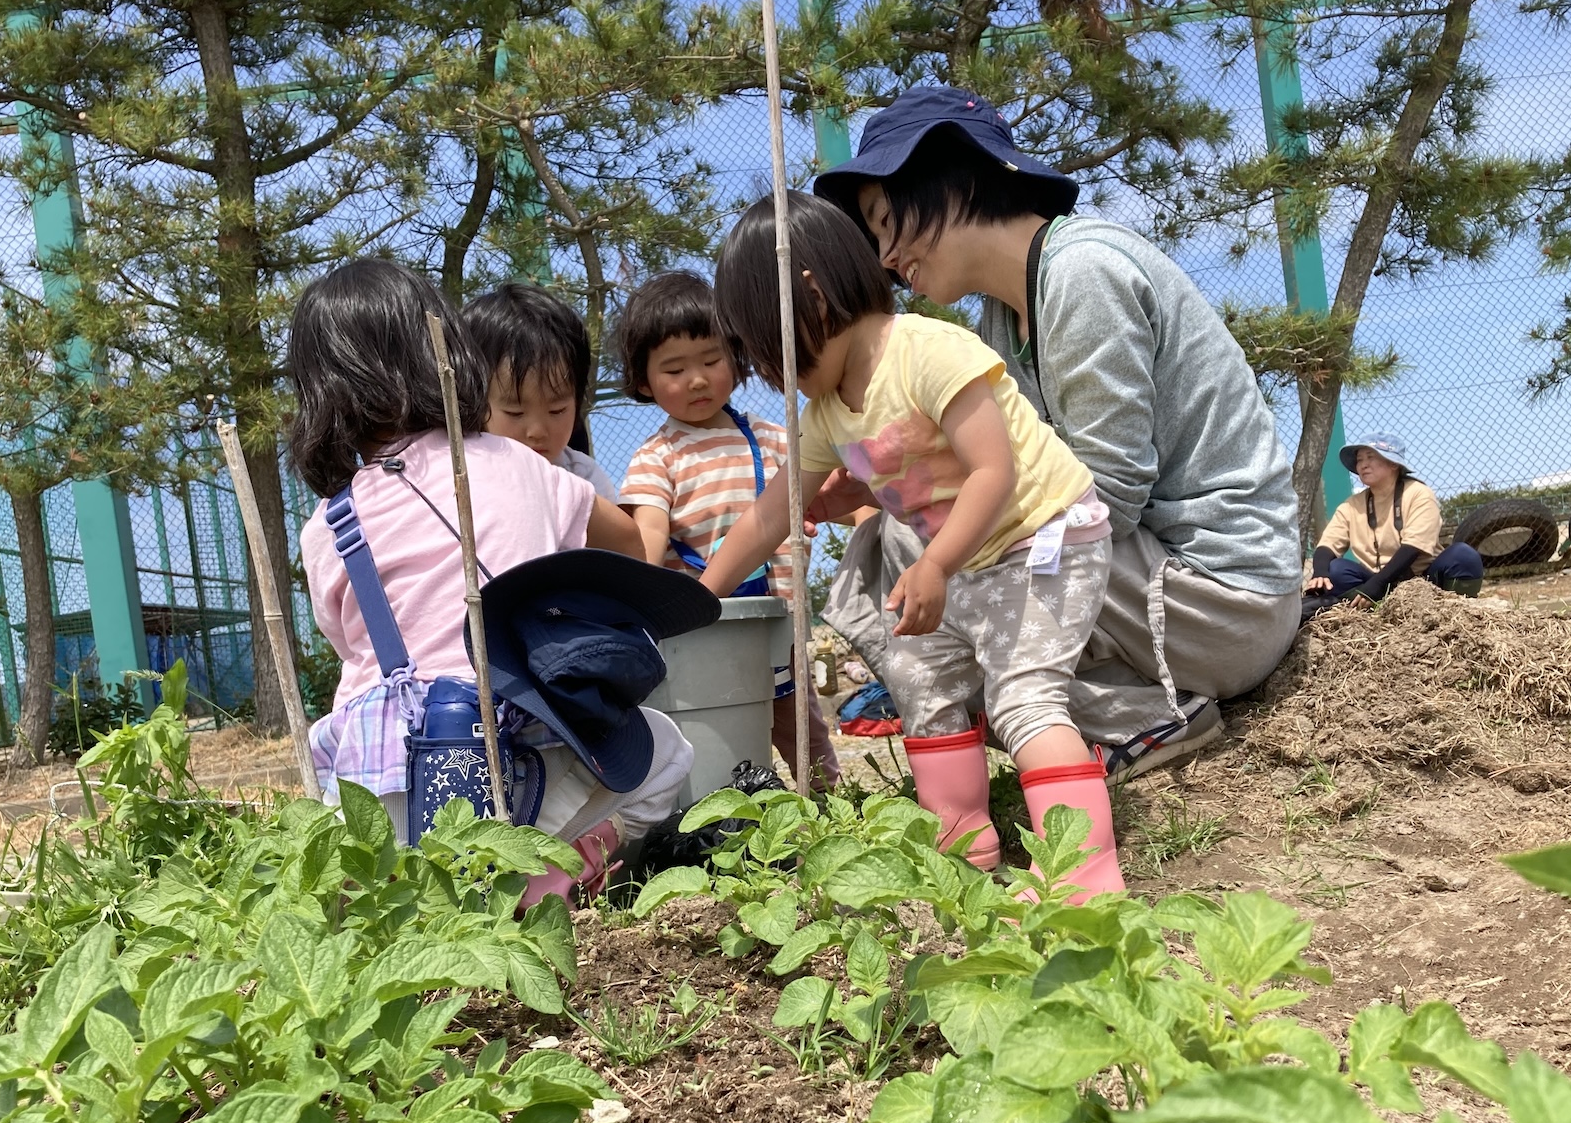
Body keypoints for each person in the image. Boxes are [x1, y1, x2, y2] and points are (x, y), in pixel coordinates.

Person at [812, 86, 1303, 781]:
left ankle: (1140, 716)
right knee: (904, 533)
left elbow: (1104, 498)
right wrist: (883, 478)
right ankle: (1084, 717)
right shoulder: (1001, 319)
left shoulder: (1080, 274)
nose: (886, 255)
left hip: (1222, 600)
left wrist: (936, 510)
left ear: (952, 178)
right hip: (1154, 582)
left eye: (889, 221)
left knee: (922, 537)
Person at [700, 191, 1124, 897]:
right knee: (921, 680)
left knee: (1025, 700)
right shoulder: (829, 412)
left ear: (812, 297)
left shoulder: (929, 349)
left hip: (1047, 537)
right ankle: (963, 844)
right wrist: (699, 593)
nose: (769, 374)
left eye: (764, 346)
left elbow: (994, 470)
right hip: (971, 563)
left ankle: (1083, 877)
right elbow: (770, 515)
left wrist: (933, 562)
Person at [289, 257, 691, 903]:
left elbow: (348, 645)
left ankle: (393, 900)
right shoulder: (521, 464)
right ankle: (553, 872)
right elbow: (628, 548)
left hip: (384, 784)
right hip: (524, 759)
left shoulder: (329, 521)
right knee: (667, 751)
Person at [615, 270, 840, 786]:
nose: (697, 379)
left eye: (712, 360)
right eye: (674, 369)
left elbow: (836, 498)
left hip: (777, 626)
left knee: (799, 725)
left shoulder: (777, 438)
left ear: (736, 360)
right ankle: (725, 818)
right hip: (704, 636)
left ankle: (831, 805)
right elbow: (647, 539)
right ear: (644, 381)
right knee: (710, 730)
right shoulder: (657, 457)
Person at [461, 281, 618, 501]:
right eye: (515, 412)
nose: (537, 431)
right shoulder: (463, 474)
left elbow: (621, 535)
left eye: (557, 410)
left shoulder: (583, 476)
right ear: (475, 403)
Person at [1304, 435, 1485, 617]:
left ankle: (1456, 613)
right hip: (1375, 580)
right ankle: (1372, 608)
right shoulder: (1351, 506)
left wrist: (1376, 585)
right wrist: (1320, 573)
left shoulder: (1419, 494)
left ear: (1394, 464)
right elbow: (1328, 544)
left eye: (1371, 457)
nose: (1363, 465)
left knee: (1464, 555)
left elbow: (1414, 546)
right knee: (1335, 570)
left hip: (1426, 581)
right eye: (1359, 460)